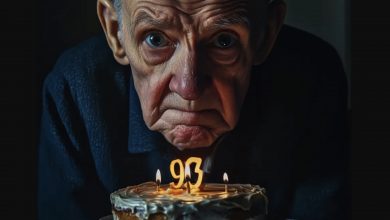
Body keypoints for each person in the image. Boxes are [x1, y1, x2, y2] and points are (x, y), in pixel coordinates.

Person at [37, 0, 350, 219]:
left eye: (223, 41)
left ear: (266, 33)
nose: (188, 87)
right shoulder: (75, 91)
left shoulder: (311, 81)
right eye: (156, 38)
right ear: (116, 30)